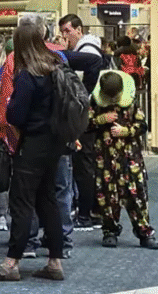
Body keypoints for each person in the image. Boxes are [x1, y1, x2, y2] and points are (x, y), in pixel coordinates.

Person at [0, 22, 67, 282]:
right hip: (54, 143)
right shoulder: (55, 66)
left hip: (32, 144)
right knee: (48, 200)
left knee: (21, 201)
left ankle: (11, 263)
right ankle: (55, 261)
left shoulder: (28, 74)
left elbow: (16, 114)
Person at [89, 71, 158, 249]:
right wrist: (100, 119)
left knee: (136, 195)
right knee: (107, 195)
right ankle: (110, 231)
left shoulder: (131, 100)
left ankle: (145, 233)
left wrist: (126, 131)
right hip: (105, 157)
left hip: (130, 157)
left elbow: (142, 125)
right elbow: (85, 124)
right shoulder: (95, 101)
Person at [58, 14, 103, 231]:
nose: (65, 35)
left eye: (68, 30)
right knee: (86, 162)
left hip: (87, 116)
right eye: (62, 31)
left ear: (79, 29)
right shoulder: (86, 50)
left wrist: (82, 99)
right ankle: (89, 209)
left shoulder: (87, 52)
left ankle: (87, 213)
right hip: (89, 114)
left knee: (84, 163)